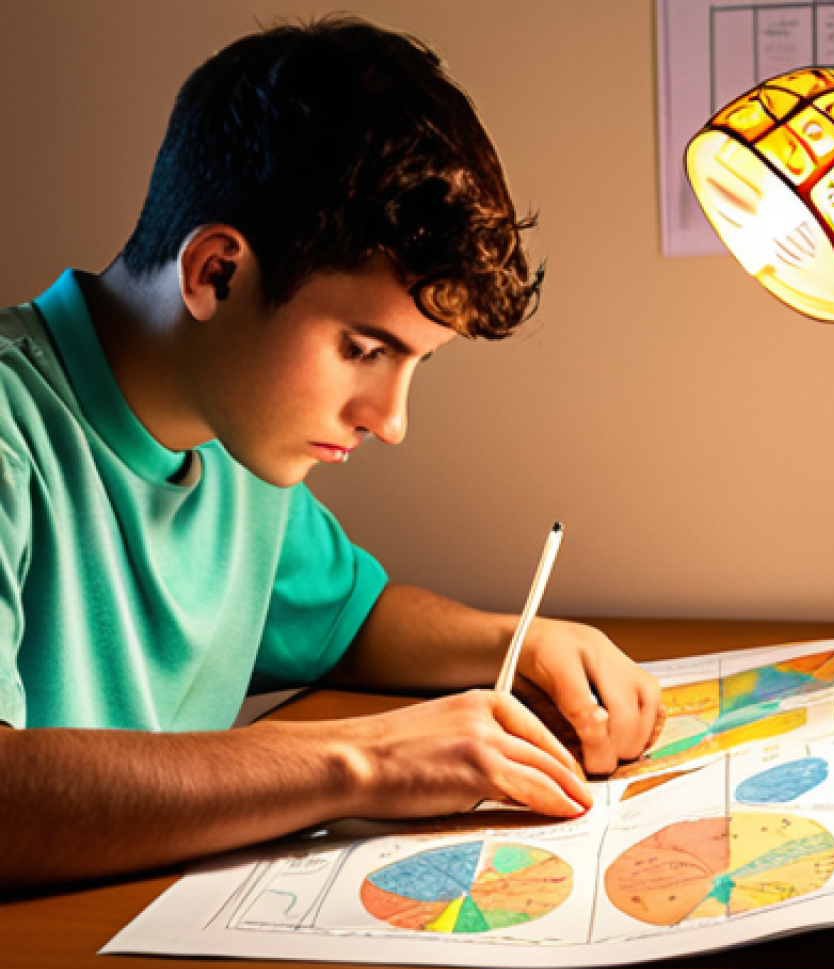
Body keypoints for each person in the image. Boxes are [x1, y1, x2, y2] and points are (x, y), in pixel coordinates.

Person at [0, 15, 661, 889]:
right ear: (216, 275)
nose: (389, 420)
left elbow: (353, 622)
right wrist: (364, 761)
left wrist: (522, 643)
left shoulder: (235, 438)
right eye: (365, 350)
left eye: (413, 363)